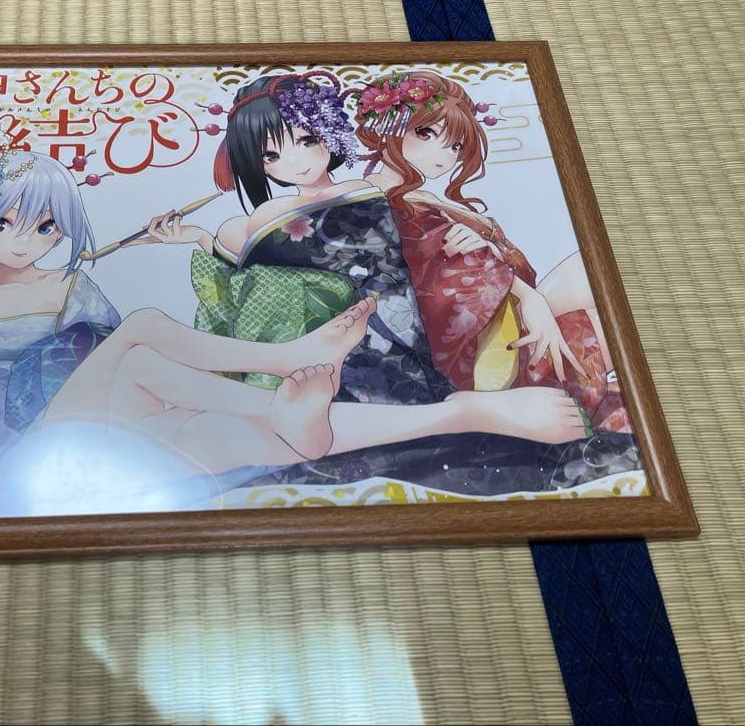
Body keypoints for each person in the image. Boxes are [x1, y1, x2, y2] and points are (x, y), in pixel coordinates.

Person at [139, 71, 640, 495]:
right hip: (350, 346)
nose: (296, 162)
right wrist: (196, 239)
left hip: (415, 326)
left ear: (328, 133)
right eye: (271, 156)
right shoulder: (264, 219)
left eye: (308, 140)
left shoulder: (373, 189)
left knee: (588, 281)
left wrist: (511, 279)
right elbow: (243, 280)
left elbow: (455, 234)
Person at [351, 69, 627, 431]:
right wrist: (526, 294)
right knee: (602, 291)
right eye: (427, 133)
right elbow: (436, 279)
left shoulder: (419, 197)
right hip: (482, 349)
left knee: (604, 278)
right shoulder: (380, 202)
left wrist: (506, 269)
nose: (445, 155)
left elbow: (487, 261)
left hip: (504, 318)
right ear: (386, 127)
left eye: (456, 146)